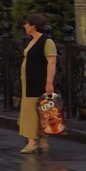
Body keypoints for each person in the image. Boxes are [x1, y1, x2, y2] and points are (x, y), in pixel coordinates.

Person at [19, 12, 58, 153]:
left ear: (33, 26)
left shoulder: (47, 42)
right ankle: (42, 140)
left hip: (37, 80)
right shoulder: (32, 40)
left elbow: (52, 62)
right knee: (37, 110)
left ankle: (32, 142)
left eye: (27, 23)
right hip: (28, 80)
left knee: (32, 110)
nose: (24, 26)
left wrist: (49, 83)